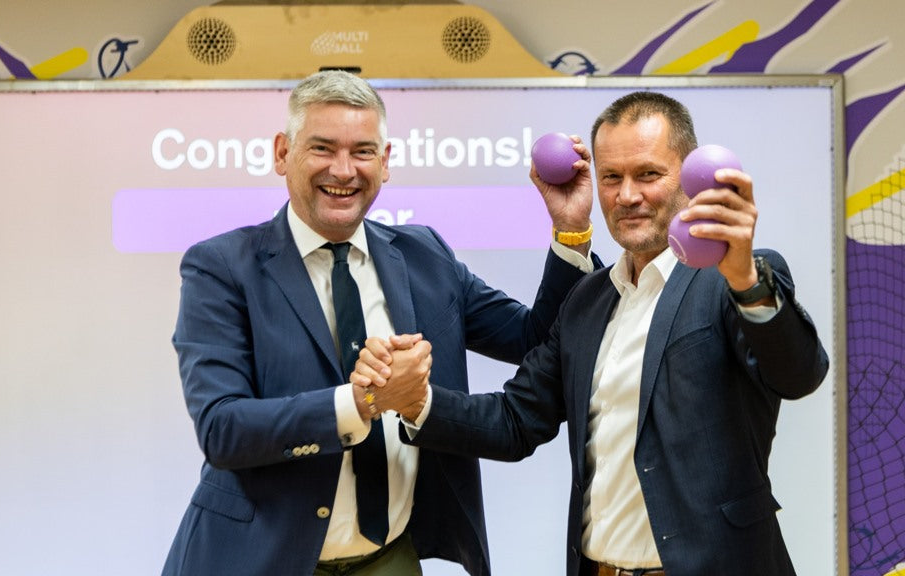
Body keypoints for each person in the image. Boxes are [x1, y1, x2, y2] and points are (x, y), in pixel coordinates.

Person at [356, 91, 830, 576]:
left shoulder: (738, 278)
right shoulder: (586, 300)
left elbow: (798, 374)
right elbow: (516, 420)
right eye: (612, 177)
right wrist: (415, 401)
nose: (627, 195)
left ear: (688, 178)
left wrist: (746, 280)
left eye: (648, 174)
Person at [162, 70, 601, 576]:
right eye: (323, 148)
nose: (344, 170)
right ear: (283, 153)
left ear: (386, 162)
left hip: (387, 557)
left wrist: (570, 231)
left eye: (363, 151)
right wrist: (363, 403)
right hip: (258, 559)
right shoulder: (221, 267)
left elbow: (534, 340)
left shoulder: (425, 255)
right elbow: (222, 429)